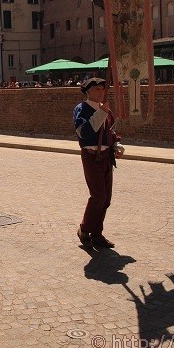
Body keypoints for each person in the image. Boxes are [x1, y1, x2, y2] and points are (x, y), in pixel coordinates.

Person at [73, 77, 125, 249]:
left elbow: (110, 131)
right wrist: (101, 113)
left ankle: (97, 233)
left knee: (106, 198)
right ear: (88, 92)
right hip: (91, 156)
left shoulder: (107, 111)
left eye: (103, 89)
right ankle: (85, 229)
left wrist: (116, 144)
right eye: (97, 90)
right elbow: (84, 133)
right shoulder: (81, 109)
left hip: (106, 157)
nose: (101, 92)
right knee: (98, 196)